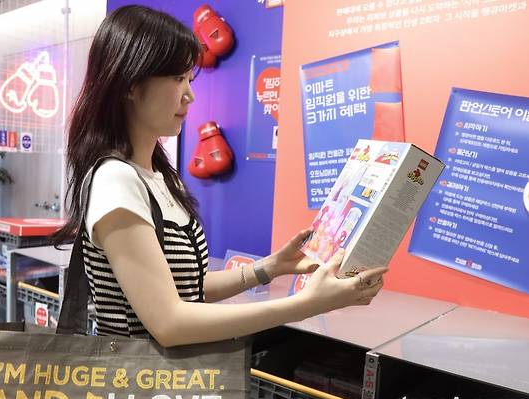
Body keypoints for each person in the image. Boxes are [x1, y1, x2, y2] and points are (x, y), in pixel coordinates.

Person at [54, 5, 388, 347]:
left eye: (189, 79)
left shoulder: (160, 177)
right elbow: (169, 323)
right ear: (131, 84)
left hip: (176, 380)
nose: (190, 94)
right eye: (177, 79)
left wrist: (270, 267)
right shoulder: (116, 180)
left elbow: (186, 288)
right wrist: (306, 304)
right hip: (136, 380)